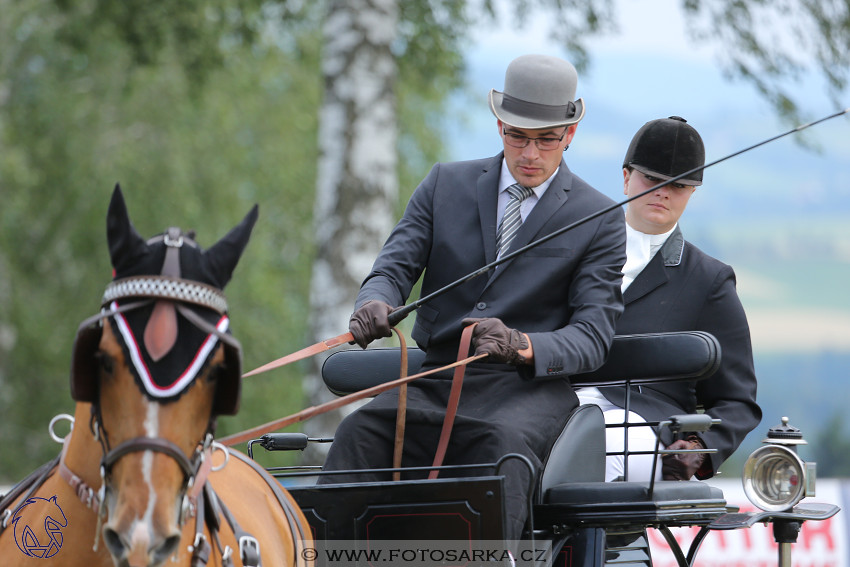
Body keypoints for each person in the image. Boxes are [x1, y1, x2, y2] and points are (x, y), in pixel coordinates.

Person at [318, 54, 626, 541]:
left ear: (570, 134)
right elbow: (393, 268)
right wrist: (375, 301)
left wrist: (521, 344)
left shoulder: (600, 218)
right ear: (499, 124)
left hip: (527, 392)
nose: (530, 152)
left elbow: (591, 338)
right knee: (360, 432)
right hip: (436, 379)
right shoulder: (444, 184)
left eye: (546, 140)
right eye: (517, 136)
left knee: (498, 446)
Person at [577, 116, 762, 482]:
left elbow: (737, 400)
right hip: (558, 403)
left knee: (603, 442)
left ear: (692, 192)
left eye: (678, 185)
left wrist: (698, 447)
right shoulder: (574, 250)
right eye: (653, 179)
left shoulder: (710, 281)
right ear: (627, 176)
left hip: (640, 428)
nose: (663, 192)